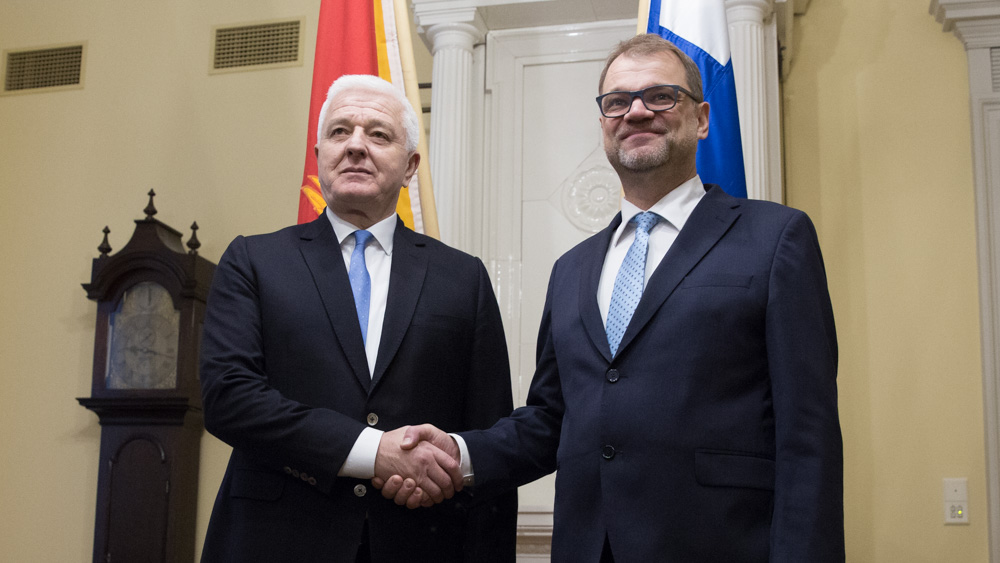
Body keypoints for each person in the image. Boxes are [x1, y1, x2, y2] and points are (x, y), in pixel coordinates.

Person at [380, 34, 844, 562]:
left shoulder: (775, 238)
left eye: (661, 96)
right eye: (618, 101)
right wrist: (458, 453)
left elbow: (808, 435)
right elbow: (551, 419)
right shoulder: (572, 269)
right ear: (604, 122)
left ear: (701, 119)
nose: (637, 112)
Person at [199, 74, 517, 563]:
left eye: (378, 134)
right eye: (340, 131)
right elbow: (229, 399)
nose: (355, 146)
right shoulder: (254, 261)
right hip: (274, 539)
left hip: (423, 542)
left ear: (410, 167)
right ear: (319, 155)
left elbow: (490, 435)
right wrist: (372, 452)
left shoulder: (462, 277)